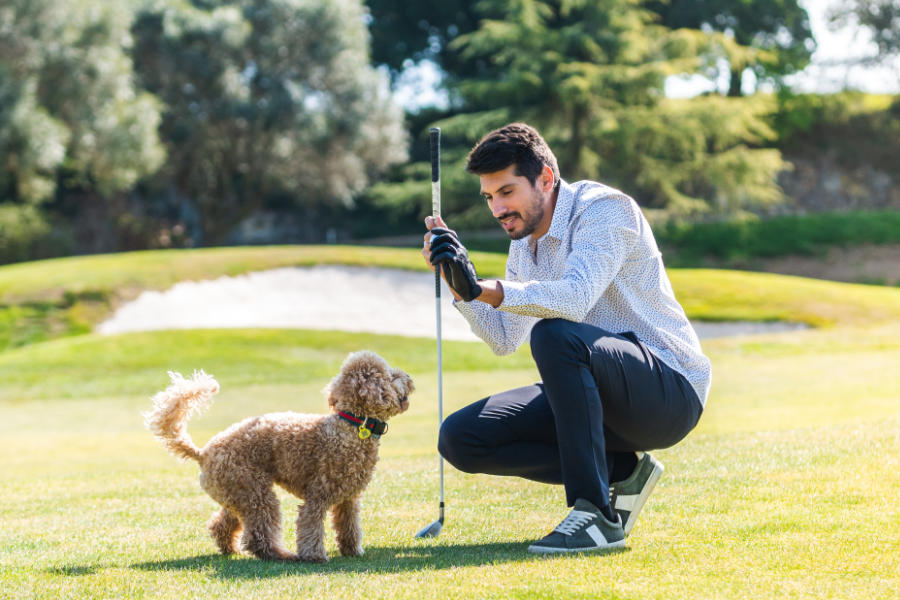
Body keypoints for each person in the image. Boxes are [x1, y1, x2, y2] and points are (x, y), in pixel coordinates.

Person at [421, 122, 711, 554]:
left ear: (545, 179)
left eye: (506, 192)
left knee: (555, 334)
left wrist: (483, 288)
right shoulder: (524, 243)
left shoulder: (606, 209)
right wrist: (460, 286)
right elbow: (502, 337)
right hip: (597, 392)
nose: (497, 209)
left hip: (669, 391)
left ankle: (594, 515)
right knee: (461, 438)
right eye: (489, 197)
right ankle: (621, 472)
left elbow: (574, 299)